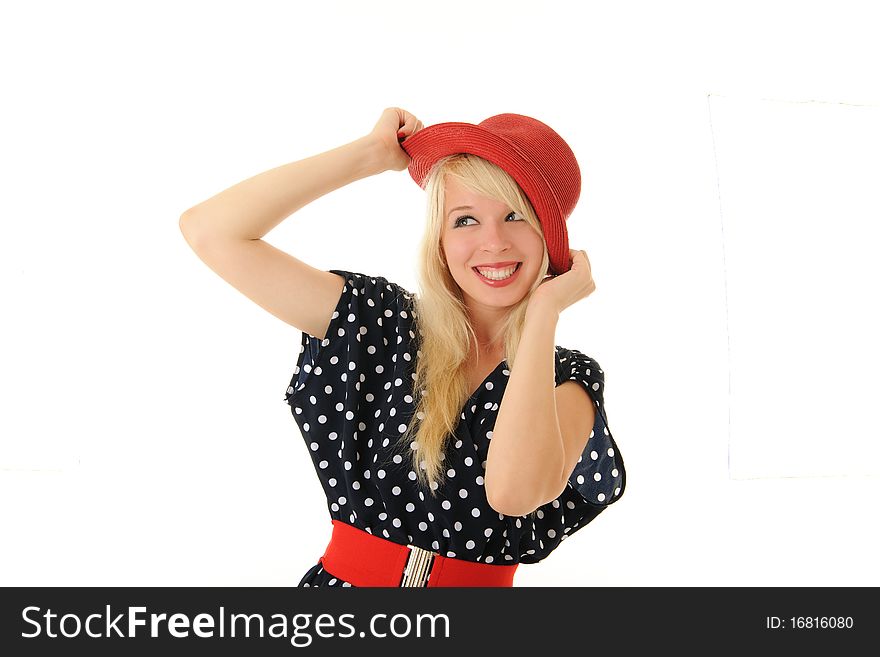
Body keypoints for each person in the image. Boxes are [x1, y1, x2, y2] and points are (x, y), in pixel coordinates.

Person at [179, 108, 626, 587]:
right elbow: (211, 231)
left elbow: (513, 495)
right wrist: (370, 155)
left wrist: (543, 314)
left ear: (549, 237)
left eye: (515, 215)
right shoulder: (384, 322)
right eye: (466, 219)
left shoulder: (568, 378)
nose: (492, 242)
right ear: (439, 237)